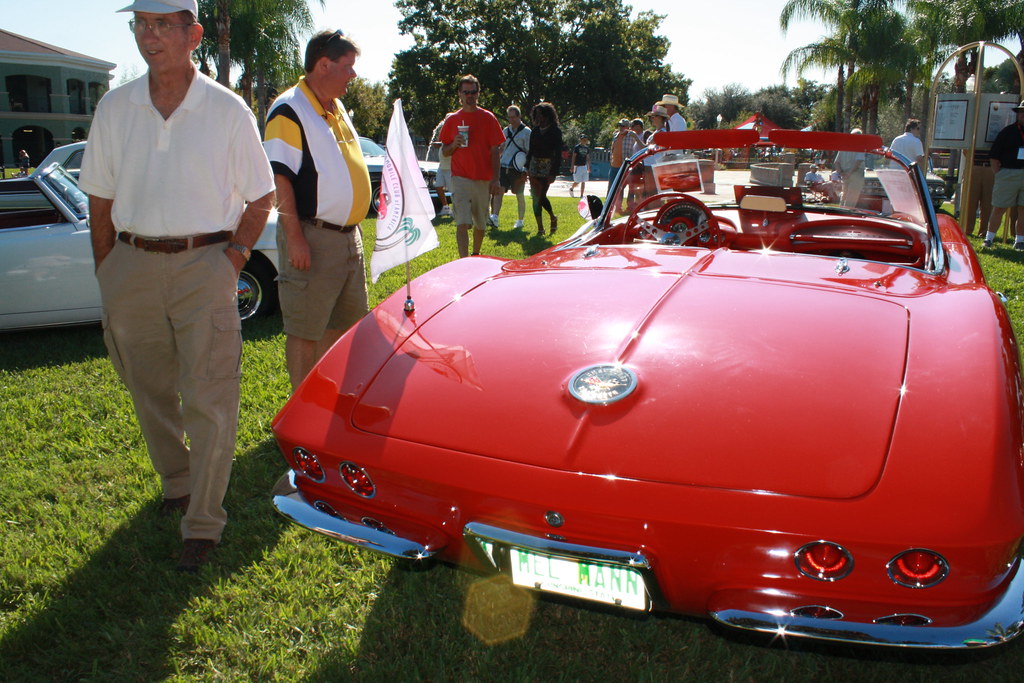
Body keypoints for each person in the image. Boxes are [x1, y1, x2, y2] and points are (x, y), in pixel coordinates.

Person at [78, 0, 275, 572]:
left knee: (210, 396)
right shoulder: (116, 107)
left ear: (194, 34)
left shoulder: (227, 109)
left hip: (205, 264)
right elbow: (99, 198)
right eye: (141, 23)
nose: (150, 34)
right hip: (131, 265)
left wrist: (231, 261)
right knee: (149, 389)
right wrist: (108, 270)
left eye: (163, 24)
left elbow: (261, 195)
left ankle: (204, 523)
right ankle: (177, 482)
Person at [264, 31, 372, 391]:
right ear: (323, 65)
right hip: (312, 236)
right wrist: (295, 239)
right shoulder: (289, 109)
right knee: (305, 331)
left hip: (348, 239)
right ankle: (302, 407)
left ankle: (327, 398)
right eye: (348, 66)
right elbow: (281, 179)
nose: (353, 75)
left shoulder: (334, 106)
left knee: (343, 326)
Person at [440, 74, 505, 258]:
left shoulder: (488, 118)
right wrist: (454, 144)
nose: (470, 96)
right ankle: (463, 261)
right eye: (466, 92)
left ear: (478, 93)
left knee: (480, 223)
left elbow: (495, 150)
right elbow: (445, 151)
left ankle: (475, 255)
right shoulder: (452, 120)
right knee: (462, 222)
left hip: (483, 178)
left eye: (473, 92)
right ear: (459, 94)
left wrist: (496, 179)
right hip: (460, 177)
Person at [983, 101, 1024, 249]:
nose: (1023, 115)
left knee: (1023, 210)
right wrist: (999, 174)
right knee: (999, 208)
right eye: (1021, 112)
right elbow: (994, 156)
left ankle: (1020, 241)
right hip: (1008, 174)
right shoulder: (1008, 132)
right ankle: (989, 239)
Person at [525, 101, 563, 236]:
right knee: (535, 197)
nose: (539, 118)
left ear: (548, 115)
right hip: (534, 165)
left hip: (547, 166)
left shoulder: (555, 131)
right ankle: (540, 228)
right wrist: (526, 167)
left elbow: (558, 153)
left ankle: (553, 217)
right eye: (537, 115)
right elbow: (530, 150)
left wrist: (553, 173)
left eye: (541, 115)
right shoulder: (535, 131)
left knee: (541, 196)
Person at [490, 105, 530, 229]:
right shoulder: (506, 131)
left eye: (513, 117)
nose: (511, 120)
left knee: (519, 195)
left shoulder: (527, 132)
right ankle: (495, 217)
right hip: (503, 166)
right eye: (509, 117)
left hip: (518, 168)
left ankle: (520, 220)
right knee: (498, 193)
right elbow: (501, 148)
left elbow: (529, 152)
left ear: (519, 116)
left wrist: (526, 170)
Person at [428, 114, 453, 218]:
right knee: (438, 186)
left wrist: (440, 145)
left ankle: (456, 210)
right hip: (442, 166)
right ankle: (446, 207)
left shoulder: (455, 132)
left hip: (451, 167)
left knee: (453, 190)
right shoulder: (445, 131)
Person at [834, 128, 865, 207]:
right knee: (852, 197)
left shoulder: (844, 147)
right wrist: (849, 173)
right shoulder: (860, 146)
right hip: (856, 174)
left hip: (844, 174)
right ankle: (847, 212)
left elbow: (836, 162)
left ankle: (840, 211)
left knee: (844, 195)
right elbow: (858, 162)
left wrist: (841, 173)